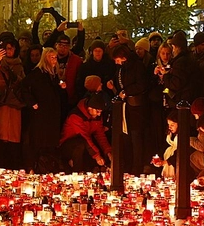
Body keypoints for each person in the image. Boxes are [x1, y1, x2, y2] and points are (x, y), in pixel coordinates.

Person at [24, 45, 68, 172]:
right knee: (39, 141)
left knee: (50, 142)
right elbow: (23, 88)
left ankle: (48, 167)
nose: (54, 60)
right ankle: (35, 167)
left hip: (52, 114)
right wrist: (32, 102)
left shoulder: (54, 75)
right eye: (51, 57)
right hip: (41, 113)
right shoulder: (37, 73)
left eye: (55, 57)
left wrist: (62, 88)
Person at [112, 43, 153, 175]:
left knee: (136, 136)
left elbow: (141, 84)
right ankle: (128, 165)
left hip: (136, 107)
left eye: (118, 60)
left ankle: (137, 166)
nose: (117, 63)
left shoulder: (136, 66)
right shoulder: (121, 69)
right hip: (126, 106)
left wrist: (127, 91)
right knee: (126, 137)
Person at [0, 36, 25, 168]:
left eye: (11, 49)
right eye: (6, 49)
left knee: (13, 133)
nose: (9, 51)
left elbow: (22, 82)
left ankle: (12, 164)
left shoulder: (19, 64)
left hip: (13, 101)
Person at [60, 93, 112, 172]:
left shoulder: (97, 117)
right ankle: (77, 172)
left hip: (85, 144)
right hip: (68, 145)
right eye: (97, 111)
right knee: (81, 144)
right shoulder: (76, 116)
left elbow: (100, 135)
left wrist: (108, 151)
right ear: (90, 108)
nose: (99, 114)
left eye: (100, 112)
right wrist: (97, 156)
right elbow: (84, 137)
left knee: (89, 146)